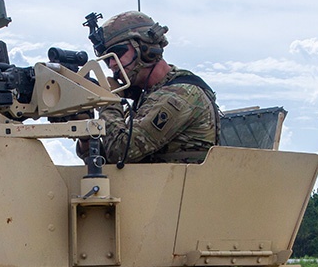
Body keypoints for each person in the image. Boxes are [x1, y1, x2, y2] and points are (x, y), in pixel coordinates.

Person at [81, 11, 219, 165]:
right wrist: (86, 137)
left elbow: (121, 152)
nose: (112, 65)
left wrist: (108, 101)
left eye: (117, 55)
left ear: (145, 48)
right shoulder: (147, 98)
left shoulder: (179, 95)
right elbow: (111, 164)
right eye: (107, 61)